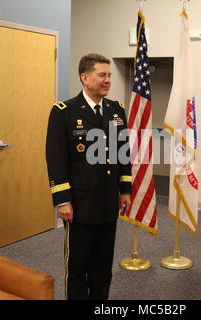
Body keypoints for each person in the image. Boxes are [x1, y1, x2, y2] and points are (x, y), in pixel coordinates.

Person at [46, 53, 132, 300]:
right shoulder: (64, 111)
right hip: (80, 204)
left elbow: (122, 154)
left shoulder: (116, 111)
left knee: (103, 266)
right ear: (85, 78)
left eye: (109, 76)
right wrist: (63, 200)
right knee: (78, 268)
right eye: (102, 75)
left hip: (107, 201)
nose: (107, 80)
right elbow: (56, 158)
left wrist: (124, 189)